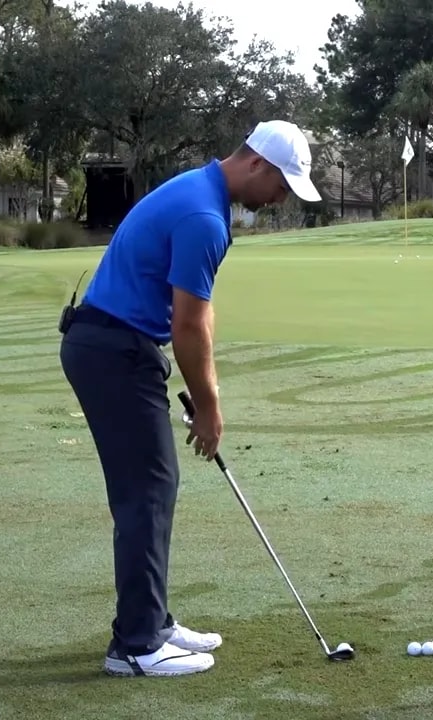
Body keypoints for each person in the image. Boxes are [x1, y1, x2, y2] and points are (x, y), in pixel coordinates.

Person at [58, 120, 322, 678]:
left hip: (112, 344)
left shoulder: (200, 193)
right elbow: (188, 327)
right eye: (281, 185)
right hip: (113, 350)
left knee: (153, 486)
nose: (279, 199)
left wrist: (209, 394)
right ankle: (135, 646)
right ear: (256, 164)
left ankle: (151, 622)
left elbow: (197, 310)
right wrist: (209, 409)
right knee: (147, 490)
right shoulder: (205, 216)